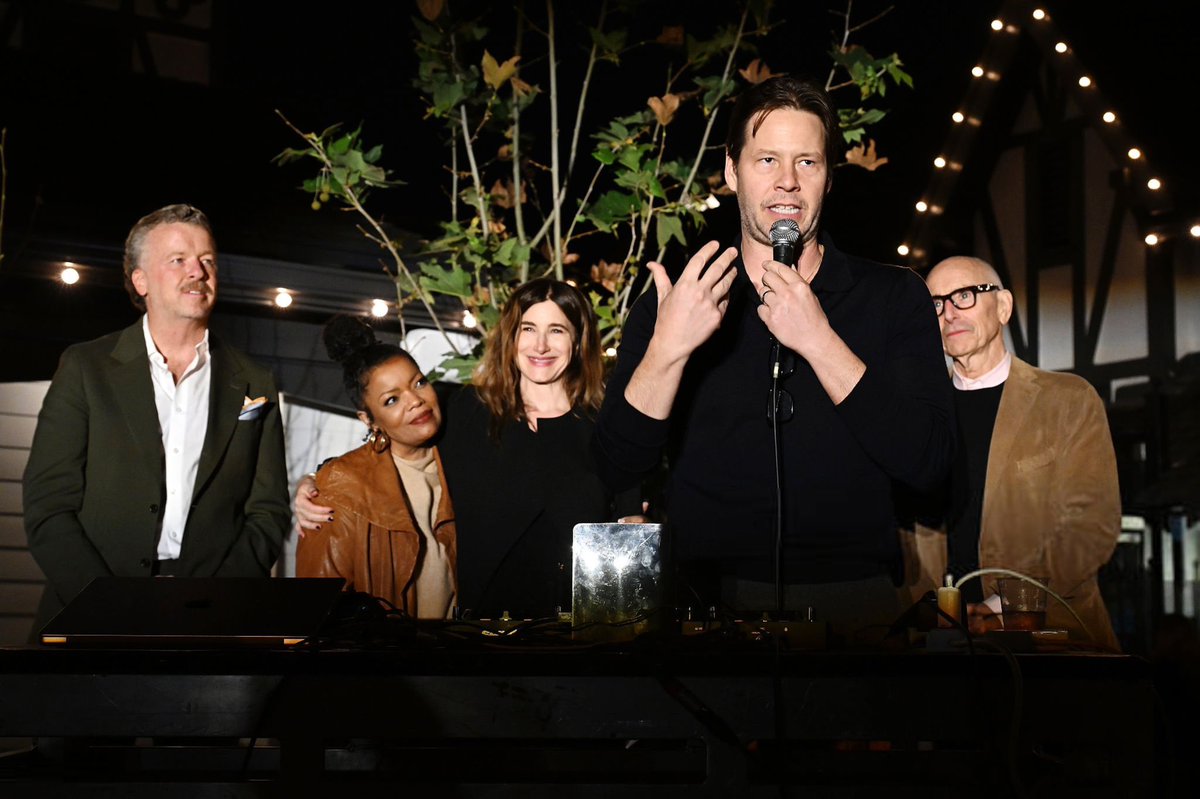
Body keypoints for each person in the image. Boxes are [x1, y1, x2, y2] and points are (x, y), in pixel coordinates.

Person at [591, 75, 954, 638]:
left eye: (807, 162)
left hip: (855, 602)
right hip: (703, 605)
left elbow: (931, 465)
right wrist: (668, 350)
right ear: (732, 171)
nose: (788, 182)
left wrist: (819, 339)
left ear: (829, 176)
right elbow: (617, 466)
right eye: (766, 160)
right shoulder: (682, 298)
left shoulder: (893, 296)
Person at [295, 279, 642, 619]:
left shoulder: (607, 426)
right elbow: (392, 446)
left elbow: (630, 535)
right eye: (528, 328)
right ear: (511, 336)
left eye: (557, 330)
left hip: (576, 642)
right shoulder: (462, 409)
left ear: (578, 339)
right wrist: (316, 481)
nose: (540, 346)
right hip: (479, 639)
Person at [22, 203, 289, 632]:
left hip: (213, 622)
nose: (197, 272)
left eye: (207, 261)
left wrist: (215, 602)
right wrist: (104, 604)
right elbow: (48, 506)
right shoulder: (86, 367)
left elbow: (268, 511)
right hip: (89, 618)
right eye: (178, 260)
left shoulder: (255, 381)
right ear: (139, 280)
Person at [910, 255, 1120, 648]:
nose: (949, 313)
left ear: (1003, 307)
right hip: (941, 648)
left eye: (965, 296)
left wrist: (1002, 606)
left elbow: (1091, 527)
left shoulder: (1067, 400)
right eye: (936, 303)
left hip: (1051, 640)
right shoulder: (918, 414)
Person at [295, 317, 456, 618]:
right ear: (368, 419)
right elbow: (317, 609)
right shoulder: (339, 486)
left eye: (419, 382)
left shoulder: (461, 456)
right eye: (392, 399)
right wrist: (319, 479)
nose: (415, 401)